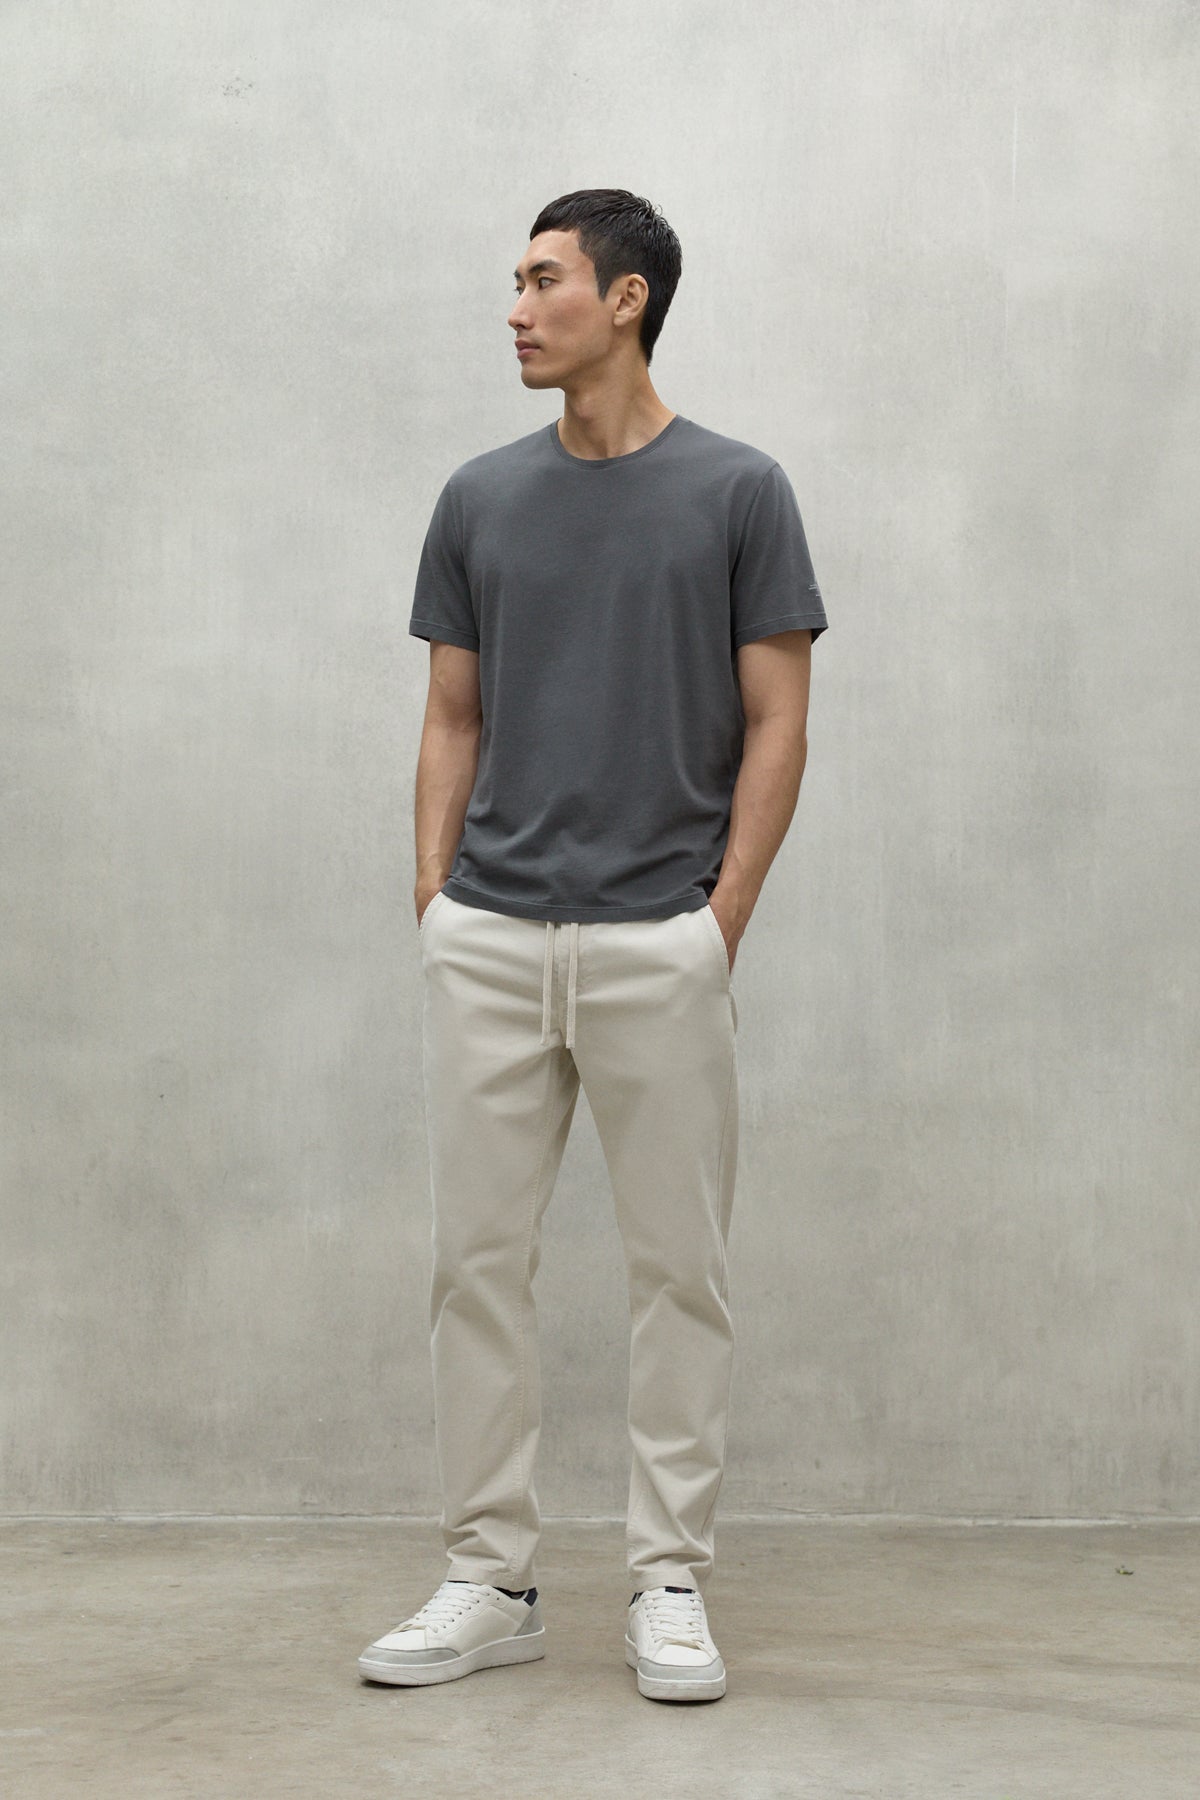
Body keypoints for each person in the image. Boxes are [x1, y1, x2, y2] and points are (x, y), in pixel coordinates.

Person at [359, 188, 828, 1704]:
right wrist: (436, 900)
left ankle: (668, 1578)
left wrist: (719, 920)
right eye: (514, 279)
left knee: (679, 1274)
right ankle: (488, 1578)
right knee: (473, 1270)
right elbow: (452, 716)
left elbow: (778, 721)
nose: (515, 307)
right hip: (490, 939)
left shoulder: (740, 491)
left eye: (544, 279)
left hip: (658, 943)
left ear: (626, 300)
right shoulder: (480, 498)